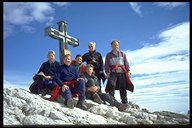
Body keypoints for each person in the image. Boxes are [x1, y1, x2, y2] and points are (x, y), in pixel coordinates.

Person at [105, 40, 134, 104]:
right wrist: (107, 72)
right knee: (111, 86)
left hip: (122, 73)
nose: (116, 46)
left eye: (117, 45)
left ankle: (124, 102)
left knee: (123, 87)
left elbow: (126, 63)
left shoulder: (122, 54)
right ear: (111, 46)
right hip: (113, 72)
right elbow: (106, 64)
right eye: (114, 45)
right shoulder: (108, 55)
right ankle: (112, 101)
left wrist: (128, 71)